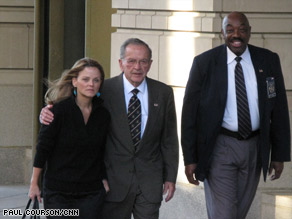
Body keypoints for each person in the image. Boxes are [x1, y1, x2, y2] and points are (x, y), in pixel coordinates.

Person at [40, 38, 179, 219]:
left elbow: (169, 139)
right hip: (113, 183)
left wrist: (170, 177)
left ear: (150, 64)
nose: (137, 67)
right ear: (121, 63)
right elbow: (75, 106)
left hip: (149, 182)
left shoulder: (163, 93)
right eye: (131, 61)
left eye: (143, 61)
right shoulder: (103, 89)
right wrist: (48, 110)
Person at [181, 11, 291, 219]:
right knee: (225, 214)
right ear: (222, 33)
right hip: (219, 147)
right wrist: (190, 158)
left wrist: (279, 154)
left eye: (241, 29)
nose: (236, 34)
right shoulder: (204, 63)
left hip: (254, 148)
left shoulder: (268, 61)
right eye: (230, 30)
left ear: (250, 32)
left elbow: (278, 109)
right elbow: (189, 114)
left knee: (238, 212)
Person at [29, 58, 110, 219]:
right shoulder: (57, 112)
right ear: (74, 81)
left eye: (96, 80)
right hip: (58, 192)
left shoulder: (102, 115)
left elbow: (100, 151)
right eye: (85, 79)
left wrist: (104, 179)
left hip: (91, 192)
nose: (91, 84)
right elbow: (43, 148)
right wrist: (34, 183)